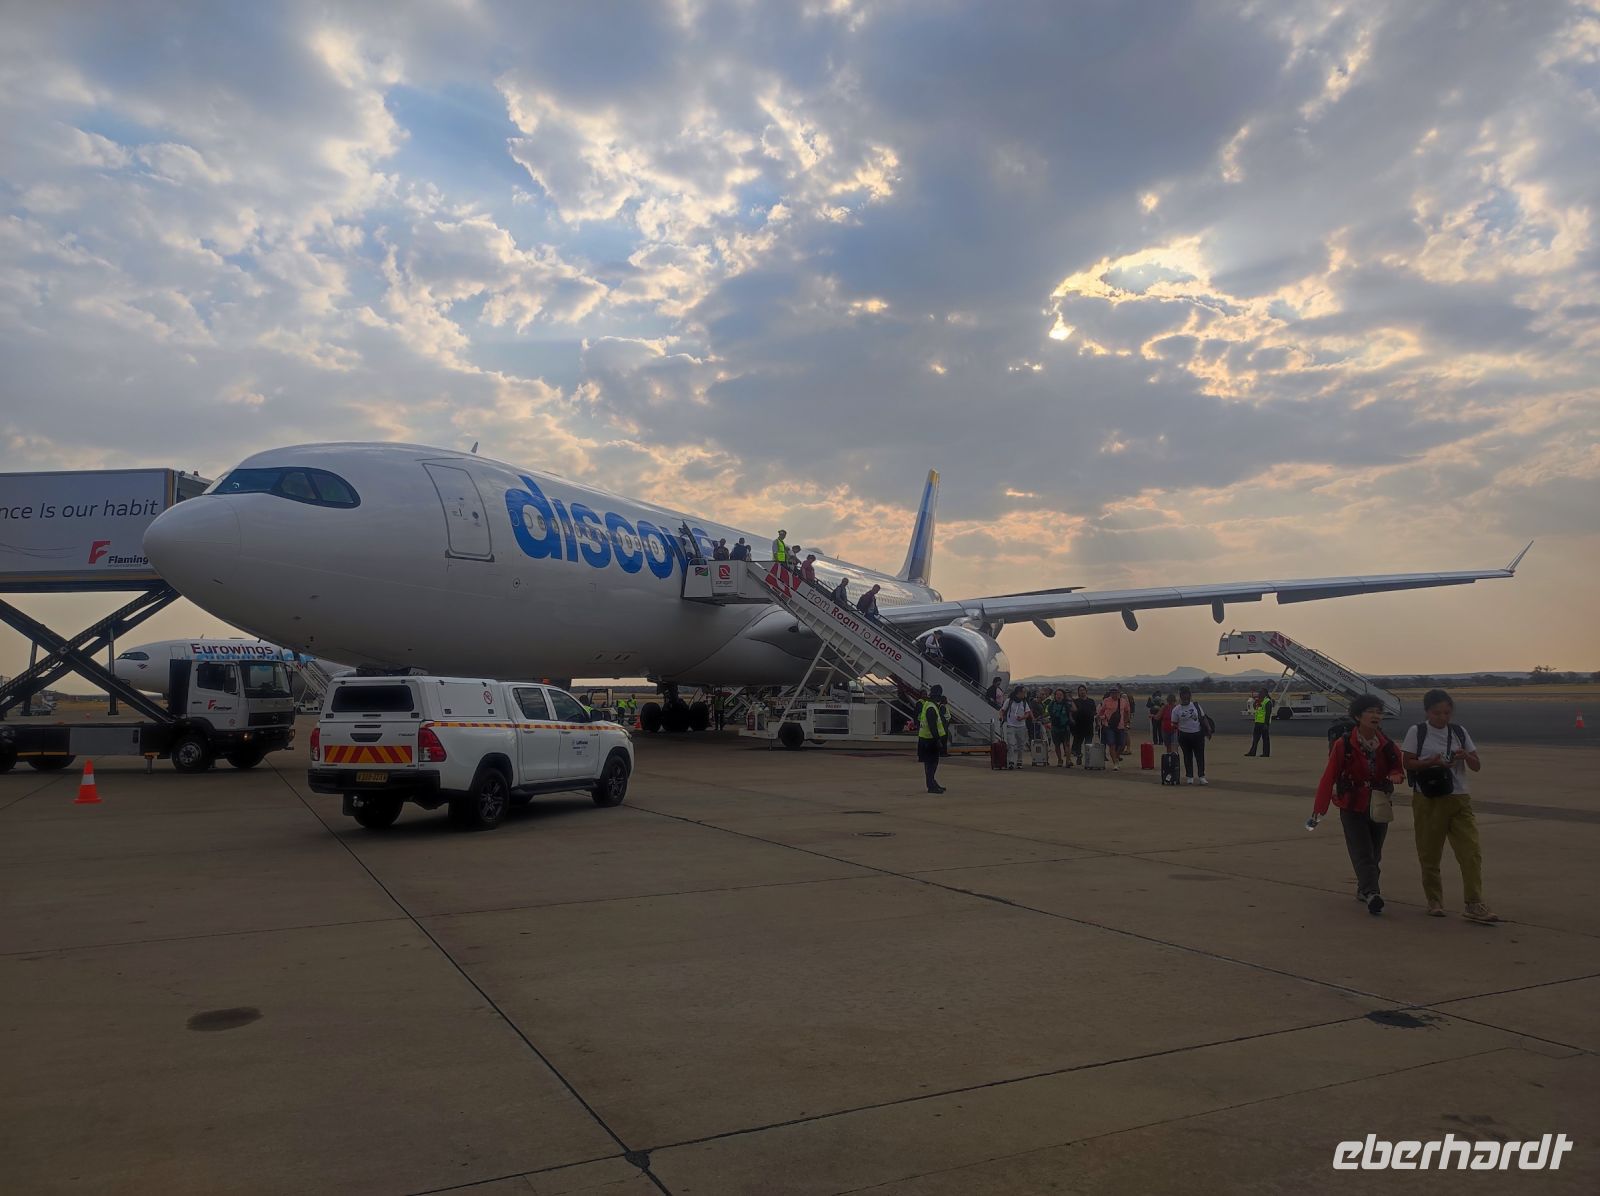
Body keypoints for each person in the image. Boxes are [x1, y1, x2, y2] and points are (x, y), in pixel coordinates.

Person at [1401, 689, 1499, 923]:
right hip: (1429, 799)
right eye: (1437, 713)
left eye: (1447, 712)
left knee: (1471, 852)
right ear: (1427, 712)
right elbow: (1408, 763)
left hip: (1459, 797)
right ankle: (1434, 900)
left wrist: (1466, 756)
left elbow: (1477, 766)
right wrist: (1432, 761)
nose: (1442, 718)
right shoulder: (1417, 732)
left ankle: (1474, 903)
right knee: (1429, 853)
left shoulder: (1459, 731)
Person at [1310, 695, 1405, 916]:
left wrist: (1396, 775)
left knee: (1375, 852)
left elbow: (1397, 767)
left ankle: (1364, 889)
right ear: (1357, 716)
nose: (1376, 716)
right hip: (1351, 805)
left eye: (1379, 712)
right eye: (1371, 711)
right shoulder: (1344, 745)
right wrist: (1318, 812)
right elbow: (1329, 777)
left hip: (1378, 805)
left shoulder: (1387, 745)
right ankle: (1373, 893)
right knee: (1362, 851)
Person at [1170, 686, 1209, 785]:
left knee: (1200, 756)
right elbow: (1174, 722)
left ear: (1190, 695)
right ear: (1180, 696)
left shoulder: (1196, 705)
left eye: (1187, 694)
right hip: (1184, 735)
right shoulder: (1176, 709)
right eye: (1183, 695)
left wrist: (1208, 728)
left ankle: (1201, 776)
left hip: (1197, 734)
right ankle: (1190, 776)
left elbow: (1203, 718)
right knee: (1187, 756)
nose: (1185, 697)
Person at [917, 686, 948, 793]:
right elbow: (932, 726)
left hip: (925, 739)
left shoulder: (929, 705)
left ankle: (932, 782)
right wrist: (938, 740)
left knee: (929, 764)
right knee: (932, 764)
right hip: (930, 740)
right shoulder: (931, 707)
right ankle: (931, 786)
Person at [1001, 685, 1031, 770]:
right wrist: (1002, 716)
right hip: (1011, 725)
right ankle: (1010, 761)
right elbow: (1002, 710)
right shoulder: (1009, 701)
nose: (1024, 694)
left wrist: (1022, 718)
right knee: (1011, 743)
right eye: (1023, 692)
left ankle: (1019, 760)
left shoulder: (1024, 702)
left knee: (1021, 744)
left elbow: (1027, 712)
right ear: (1019, 693)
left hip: (1021, 726)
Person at [1098, 687, 1125, 769]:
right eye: (1112, 692)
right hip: (1109, 726)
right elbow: (1101, 712)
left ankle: (1116, 757)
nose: (1114, 694)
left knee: (1122, 744)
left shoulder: (1123, 701)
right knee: (1112, 744)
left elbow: (1127, 711)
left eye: (1116, 692)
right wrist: (1103, 717)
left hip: (1120, 726)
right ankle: (1115, 763)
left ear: (1119, 693)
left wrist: (1127, 722)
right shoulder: (1106, 701)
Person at [1070, 684, 1097, 764]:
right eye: (1080, 690)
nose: (1082, 692)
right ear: (1078, 692)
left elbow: (1094, 712)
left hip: (1089, 726)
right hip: (1078, 726)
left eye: (1083, 690)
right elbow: (1072, 712)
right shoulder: (1076, 701)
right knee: (1078, 743)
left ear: (1086, 691)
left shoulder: (1091, 701)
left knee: (1088, 744)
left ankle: (1088, 760)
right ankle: (1079, 756)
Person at [1049, 686, 1072, 766]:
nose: (1059, 696)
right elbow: (1048, 713)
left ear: (1063, 696)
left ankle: (1068, 760)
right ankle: (1059, 760)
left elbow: (1073, 711)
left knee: (1067, 744)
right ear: (1055, 696)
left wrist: (1070, 700)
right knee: (1057, 745)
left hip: (1065, 727)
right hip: (1055, 728)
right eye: (1057, 694)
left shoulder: (1067, 704)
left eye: (1060, 694)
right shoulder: (1051, 704)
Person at [1246, 689, 1273, 757]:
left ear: (1265, 694)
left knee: (1265, 739)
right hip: (1258, 722)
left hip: (1263, 723)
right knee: (1255, 739)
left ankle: (1266, 753)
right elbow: (1256, 709)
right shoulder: (1260, 701)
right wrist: (1256, 702)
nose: (1259, 694)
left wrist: (1266, 724)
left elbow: (1268, 714)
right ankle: (1252, 752)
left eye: (1261, 693)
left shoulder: (1267, 701)